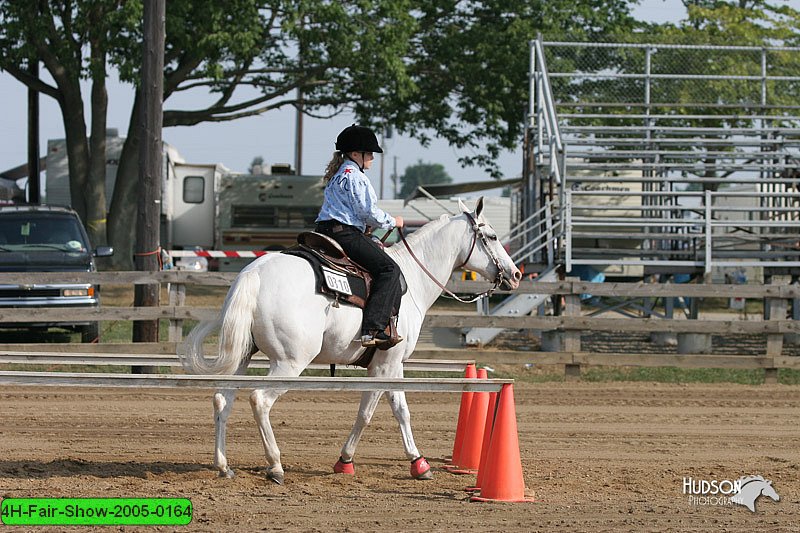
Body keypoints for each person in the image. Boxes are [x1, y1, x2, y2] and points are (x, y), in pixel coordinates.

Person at [315, 124, 405, 348]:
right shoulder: (356, 177)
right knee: (389, 270)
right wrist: (394, 221)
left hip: (323, 231)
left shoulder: (336, 176)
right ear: (356, 154)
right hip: (346, 233)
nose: (372, 158)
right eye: (369, 153)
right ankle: (373, 329)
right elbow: (368, 213)